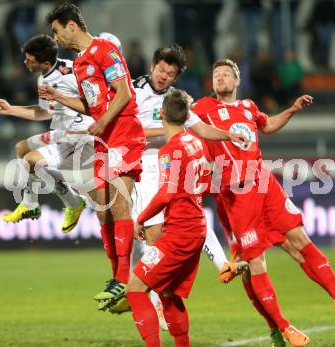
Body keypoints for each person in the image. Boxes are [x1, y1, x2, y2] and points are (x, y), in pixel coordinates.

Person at [193, 59, 335, 346]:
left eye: (227, 74)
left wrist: (292, 110)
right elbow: (180, 121)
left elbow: (268, 124)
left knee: (300, 240)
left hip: (264, 184)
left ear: (237, 82)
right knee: (254, 265)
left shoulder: (248, 107)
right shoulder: (201, 109)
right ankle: (281, 327)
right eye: (216, 75)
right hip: (235, 195)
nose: (221, 77)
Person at [119, 45, 247, 319]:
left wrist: (228, 135)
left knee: (189, 214)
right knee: (154, 235)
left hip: (173, 160)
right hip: (146, 167)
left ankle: (222, 265)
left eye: (171, 74)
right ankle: (158, 296)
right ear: (153, 66)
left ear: (176, 78)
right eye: (162, 70)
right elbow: (129, 130)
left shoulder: (175, 101)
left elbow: (199, 127)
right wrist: (167, 130)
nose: (164, 76)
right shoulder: (133, 90)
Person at [41, 3, 146, 309]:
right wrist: (59, 96)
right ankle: (116, 278)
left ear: (71, 25)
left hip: (124, 131)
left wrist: (102, 121)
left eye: (57, 31)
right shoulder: (79, 63)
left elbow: (124, 92)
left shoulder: (105, 50)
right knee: (102, 209)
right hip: (103, 137)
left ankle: (124, 280)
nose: (56, 38)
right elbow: (92, 105)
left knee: (119, 202)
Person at [126, 88, 208, 347]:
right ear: (187, 115)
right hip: (196, 228)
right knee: (167, 290)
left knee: (135, 289)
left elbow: (166, 193)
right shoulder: (196, 142)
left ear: (161, 113)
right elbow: (204, 181)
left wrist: (142, 218)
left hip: (178, 235)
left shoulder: (170, 151)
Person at [0, 34, 92, 232]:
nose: (25, 63)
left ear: (45, 62)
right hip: (61, 132)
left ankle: (36, 205)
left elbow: (93, 103)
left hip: (78, 137)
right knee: (21, 148)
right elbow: (45, 112)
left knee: (31, 161)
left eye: (30, 60)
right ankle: (70, 203)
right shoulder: (44, 78)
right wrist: (11, 109)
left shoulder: (71, 75)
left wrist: (60, 97)